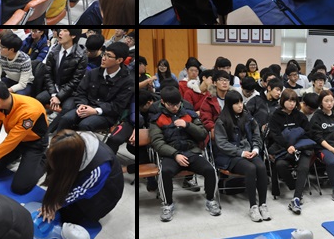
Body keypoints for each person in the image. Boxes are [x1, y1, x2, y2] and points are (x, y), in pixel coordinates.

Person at [150, 84, 220, 222]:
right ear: (163, 102)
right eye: (171, 105)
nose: (175, 108)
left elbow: (202, 134)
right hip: (171, 155)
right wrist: (175, 154)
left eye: (177, 104)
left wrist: (187, 125)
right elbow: (157, 143)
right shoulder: (157, 119)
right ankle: (168, 204)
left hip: (191, 152)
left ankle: (210, 200)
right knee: (164, 172)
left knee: (210, 169)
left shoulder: (189, 114)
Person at [39, 129, 125, 224]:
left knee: (69, 217)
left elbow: (81, 191)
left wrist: (54, 206)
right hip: (83, 172)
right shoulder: (67, 142)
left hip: (104, 191)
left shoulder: (99, 168)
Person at [50, 42, 133, 133]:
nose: (103, 58)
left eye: (109, 56)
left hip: (105, 114)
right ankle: (56, 140)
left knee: (85, 124)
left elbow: (117, 106)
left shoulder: (127, 81)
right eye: (104, 54)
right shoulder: (93, 73)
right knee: (66, 118)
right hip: (86, 106)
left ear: (119, 60)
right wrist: (81, 104)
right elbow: (81, 91)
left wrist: (95, 110)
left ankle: (79, 142)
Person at [213, 89, 270, 222]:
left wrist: (256, 148)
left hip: (249, 151)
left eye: (241, 102)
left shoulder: (248, 117)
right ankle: (253, 206)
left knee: (261, 167)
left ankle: (263, 204)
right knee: (250, 169)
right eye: (236, 103)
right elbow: (222, 144)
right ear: (229, 104)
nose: (240, 106)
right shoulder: (221, 121)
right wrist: (241, 153)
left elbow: (256, 134)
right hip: (231, 156)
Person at [267, 89, 312, 214]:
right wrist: (288, 145)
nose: (292, 104)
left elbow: (308, 132)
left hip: (301, 148)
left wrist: (297, 144)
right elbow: (275, 135)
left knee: (303, 167)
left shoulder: (299, 115)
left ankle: (296, 198)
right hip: (283, 148)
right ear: (283, 101)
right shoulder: (275, 116)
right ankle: (295, 187)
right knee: (280, 165)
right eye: (289, 101)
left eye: (294, 101)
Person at [34, 29, 87, 119]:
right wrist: (54, 94)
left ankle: (52, 127)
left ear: (73, 36)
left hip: (70, 92)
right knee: (38, 99)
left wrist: (59, 96)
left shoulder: (81, 55)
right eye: (60, 30)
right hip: (54, 88)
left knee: (67, 109)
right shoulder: (54, 50)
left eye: (65, 31)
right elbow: (48, 74)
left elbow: (75, 80)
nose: (60, 33)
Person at [310, 90, 334, 200]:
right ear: (321, 102)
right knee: (331, 162)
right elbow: (318, 138)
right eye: (326, 101)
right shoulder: (316, 117)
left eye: (331, 101)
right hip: (323, 148)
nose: (329, 103)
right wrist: (333, 150)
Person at [0, 31, 34, 96]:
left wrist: (7, 90)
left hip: (25, 84)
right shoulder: (0, 55)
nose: (0, 48)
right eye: (0, 46)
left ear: (11, 50)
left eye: (2, 47)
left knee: (16, 96)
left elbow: (22, 84)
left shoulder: (24, 60)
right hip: (9, 79)